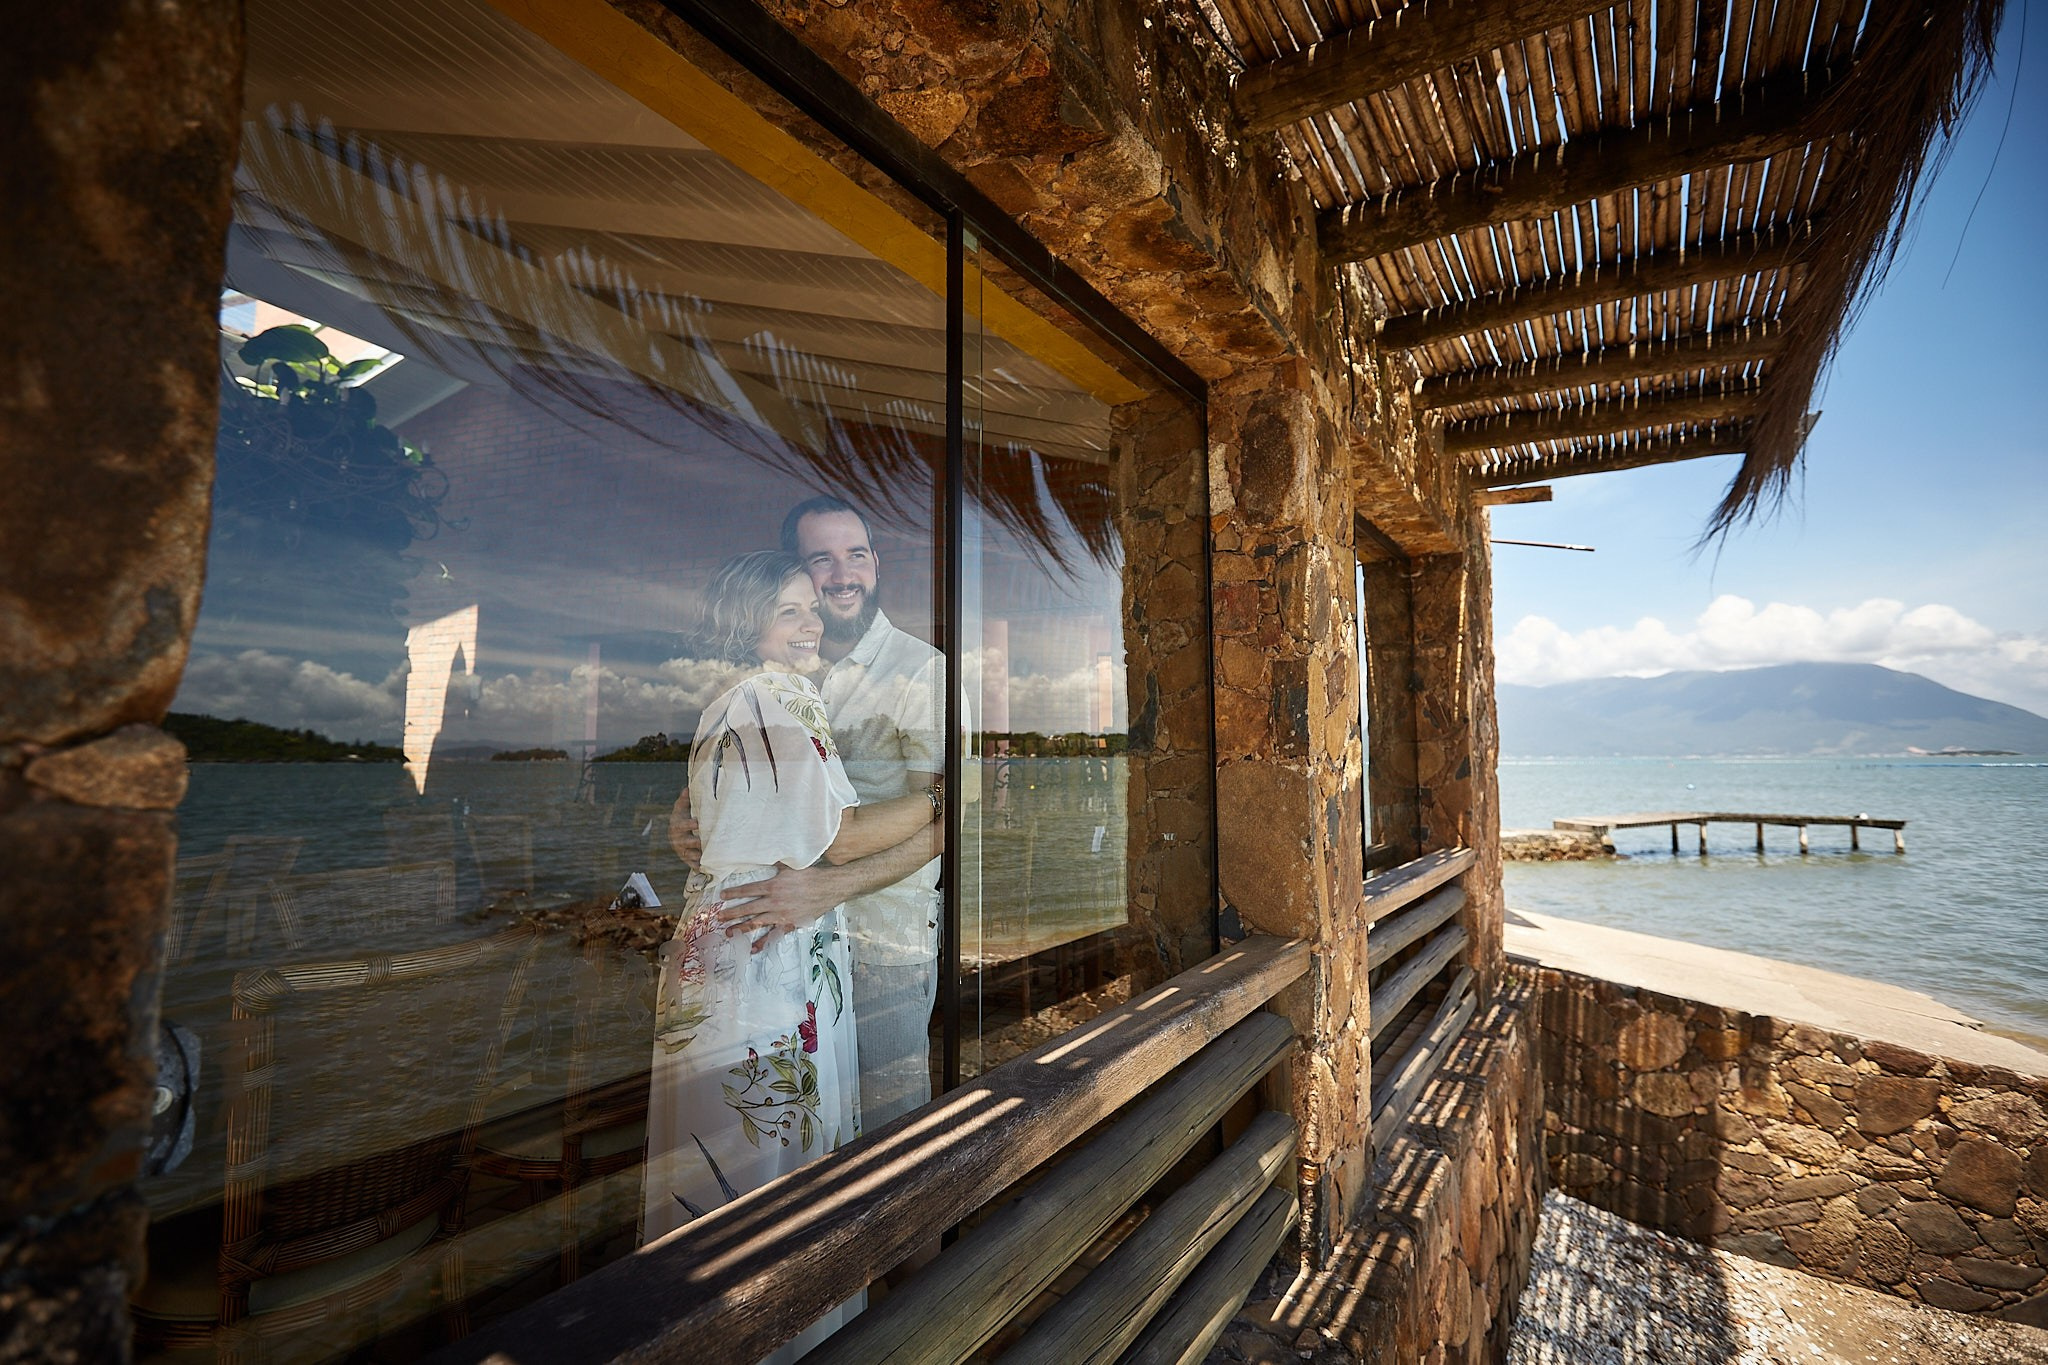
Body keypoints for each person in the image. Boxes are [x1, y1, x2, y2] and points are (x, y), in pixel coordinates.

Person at [643, 551, 940, 1357]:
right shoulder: (778, 695)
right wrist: (944, 797)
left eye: (812, 607)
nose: (811, 622)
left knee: (720, 1182)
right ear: (749, 628)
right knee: (775, 1186)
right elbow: (836, 842)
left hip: (728, 947)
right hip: (764, 960)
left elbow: (719, 833)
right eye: (789, 611)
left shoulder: (728, 701)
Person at [673, 496, 949, 1131]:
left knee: (887, 1135)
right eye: (821, 560)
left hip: (880, 938)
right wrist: (688, 823)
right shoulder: (776, 679)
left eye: (856, 554)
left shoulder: (919, 671)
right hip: (783, 941)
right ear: (790, 574)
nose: (843, 573)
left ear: (877, 564)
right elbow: (722, 797)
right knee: (798, 1130)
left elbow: (949, 828)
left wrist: (830, 885)